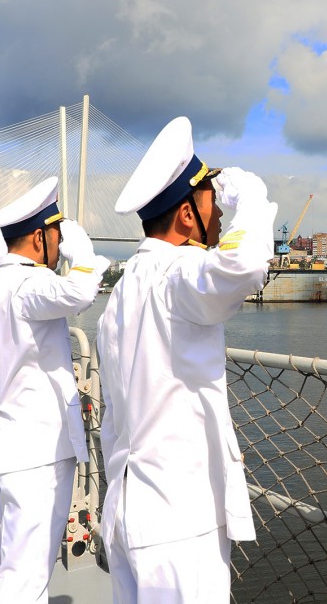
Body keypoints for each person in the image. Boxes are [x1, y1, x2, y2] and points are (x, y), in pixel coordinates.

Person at [97, 116, 276, 603]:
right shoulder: (174, 276)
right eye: (212, 204)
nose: (218, 215)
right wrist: (252, 197)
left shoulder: (124, 289)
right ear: (185, 216)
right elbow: (243, 266)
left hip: (131, 506)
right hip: (179, 518)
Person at [0, 177, 108, 603]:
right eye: (57, 233)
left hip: (2, 444)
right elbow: (82, 291)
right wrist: (82, 251)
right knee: (27, 578)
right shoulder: (28, 285)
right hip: (38, 454)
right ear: (40, 236)